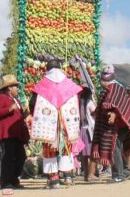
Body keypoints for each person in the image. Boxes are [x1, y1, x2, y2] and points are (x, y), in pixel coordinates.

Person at [28, 59, 82, 189]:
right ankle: (68, 176)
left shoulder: (42, 85)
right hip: (65, 123)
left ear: (47, 69)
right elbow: (76, 103)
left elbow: (32, 104)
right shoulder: (69, 84)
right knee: (66, 148)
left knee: (49, 149)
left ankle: (54, 180)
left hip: (49, 123)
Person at [92, 64, 130, 183]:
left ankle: (118, 175)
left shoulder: (115, 88)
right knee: (119, 148)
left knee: (114, 148)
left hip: (120, 125)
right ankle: (126, 171)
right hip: (122, 125)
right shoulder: (111, 89)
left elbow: (117, 104)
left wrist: (114, 114)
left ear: (104, 80)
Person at [0, 74, 30, 195]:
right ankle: (6, 182)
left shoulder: (16, 100)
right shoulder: (1, 98)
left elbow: (19, 115)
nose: (17, 89)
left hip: (17, 134)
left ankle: (14, 179)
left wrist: (26, 113)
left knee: (21, 157)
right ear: (9, 88)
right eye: (15, 87)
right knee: (8, 158)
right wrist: (8, 109)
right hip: (8, 134)